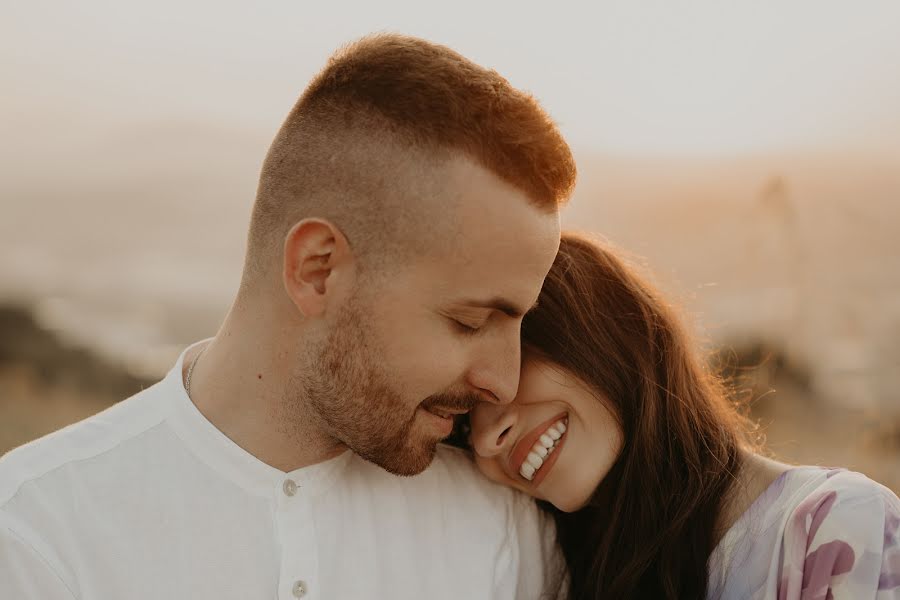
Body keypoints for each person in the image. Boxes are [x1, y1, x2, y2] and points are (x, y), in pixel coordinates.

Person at [0, 34, 577, 599]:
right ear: (317, 269)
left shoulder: (505, 532)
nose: (503, 381)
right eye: (470, 321)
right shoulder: (34, 535)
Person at [469, 232, 900, 599]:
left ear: (610, 331)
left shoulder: (834, 527)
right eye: (462, 420)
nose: (485, 439)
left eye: (514, 357)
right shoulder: (551, 570)